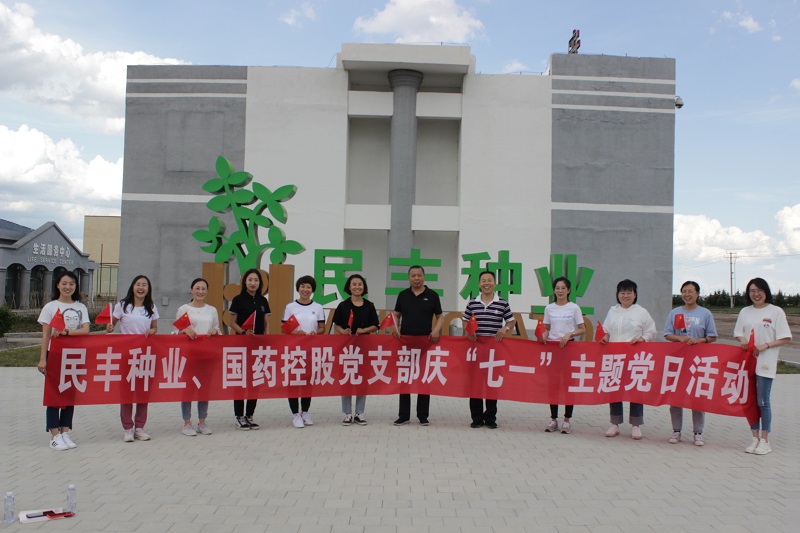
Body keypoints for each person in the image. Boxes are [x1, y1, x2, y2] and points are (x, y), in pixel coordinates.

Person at [734, 277, 791, 455]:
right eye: (752, 291)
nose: (756, 294)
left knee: (763, 401)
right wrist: (743, 340)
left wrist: (765, 346)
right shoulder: (745, 311)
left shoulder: (776, 312)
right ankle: (755, 438)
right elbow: (739, 333)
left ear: (766, 292)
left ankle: (765, 440)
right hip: (748, 363)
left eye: (759, 290)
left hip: (766, 363)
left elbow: (785, 337)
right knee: (751, 401)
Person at [37, 271, 90, 451]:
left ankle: (65, 431)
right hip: (55, 355)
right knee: (54, 393)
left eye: (71, 283)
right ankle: (54, 434)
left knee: (70, 393)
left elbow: (85, 330)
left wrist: (66, 332)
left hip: (75, 355)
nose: (68, 287)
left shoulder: (81, 307)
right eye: (64, 283)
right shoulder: (50, 307)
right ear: (58, 285)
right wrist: (43, 359)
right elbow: (46, 335)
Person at [600, 279, 656, 440]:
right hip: (615, 358)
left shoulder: (641, 312)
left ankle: (636, 425)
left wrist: (642, 339)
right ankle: (615, 423)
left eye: (629, 292)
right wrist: (604, 337)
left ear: (635, 294)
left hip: (634, 358)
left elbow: (651, 331)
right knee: (615, 390)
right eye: (622, 292)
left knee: (635, 390)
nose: (625, 295)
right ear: (618, 295)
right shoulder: (612, 311)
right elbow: (606, 330)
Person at [663, 280, 717, 446]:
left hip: (698, 361)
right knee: (676, 396)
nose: (687, 295)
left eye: (690, 291)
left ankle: (698, 432)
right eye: (684, 291)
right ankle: (676, 430)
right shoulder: (675, 313)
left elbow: (712, 336)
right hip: (678, 361)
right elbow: (667, 334)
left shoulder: (705, 314)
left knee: (697, 396)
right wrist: (680, 338)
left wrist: (700, 340)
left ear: (697, 294)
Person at [108, 275, 159, 442]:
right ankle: (128, 428)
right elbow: (111, 324)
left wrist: (152, 331)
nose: (141, 287)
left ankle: (140, 427)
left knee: (143, 391)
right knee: (127, 392)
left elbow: (155, 327)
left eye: (144, 285)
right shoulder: (123, 305)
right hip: (127, 355)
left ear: (148, 289)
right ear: (132, 286)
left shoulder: (151, 306)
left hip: (145, 355)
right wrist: (109, 326)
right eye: (138, 284)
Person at [391, 265, 444, 426]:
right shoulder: (403, 295)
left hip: (425, 343)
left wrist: (436, 330)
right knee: (405, 379)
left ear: (423, 277)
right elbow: (396, 314)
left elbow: (440, 316)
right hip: (406, 343)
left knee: (424, 378)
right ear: (409, 278)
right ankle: (403, 415)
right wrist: (395, 326)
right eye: (413, 276)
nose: (416, 278)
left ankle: (422, 415)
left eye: (419, 275)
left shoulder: (432, 295)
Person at [462, 270, 515, 429]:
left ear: (495, 283)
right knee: (475, 384)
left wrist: (505, 328)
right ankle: (477, 418)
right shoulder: (472, 303)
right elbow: (465, 321)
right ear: (479, 284)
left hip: (494, 352)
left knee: (492, 383)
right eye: (483, 280)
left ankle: (490, 417)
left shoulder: (502, 303)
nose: (486, 283)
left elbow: (511, 321)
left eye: (489, 280)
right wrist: (468, 332)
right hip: (476, 350)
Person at [174, 277, 221, 436]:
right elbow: (176, 332)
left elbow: (217, 329)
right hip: (189, 355)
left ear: (207, 291)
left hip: (207, 355)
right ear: (191, 290)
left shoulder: (212, 310)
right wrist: (184, 331)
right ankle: (187, 423)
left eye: (203, 289)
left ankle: (202, 421)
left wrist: (214, 331)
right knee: (188, 389)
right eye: (197, 288)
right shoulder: (183, 309)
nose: (200, 291)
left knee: (204, 388)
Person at [333, 274, 379, 426]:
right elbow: (336, 324)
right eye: (354, 284)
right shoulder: (343, 305)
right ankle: (347, 413)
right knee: (346, 378)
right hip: (346, 349)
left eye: (360, 284)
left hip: (363, 348)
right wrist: (342, 331)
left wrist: (364, 330)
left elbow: (375, 325)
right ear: (349, 287)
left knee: (362, 379)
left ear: (364, 287)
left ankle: (360, 412)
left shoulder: (369, 305)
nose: (357, 287)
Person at [540, 276, 585, 434]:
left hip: (568, 348)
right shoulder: (549, 308)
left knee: (568, 384)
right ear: (554, 290)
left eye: (563, 288)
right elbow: (547, 327)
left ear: (569, 290)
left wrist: (569, 334)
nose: (560, 291)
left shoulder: (574, 308)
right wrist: (545, 334)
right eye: (557, 288)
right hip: (553, 349)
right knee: (553, 384)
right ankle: (553, 419)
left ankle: (567, 420)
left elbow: (582, 328)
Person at [228, 268, 270, 430]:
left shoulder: (263, 301)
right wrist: (243, 332)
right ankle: (239, 416)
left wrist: (266, 338)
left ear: (260, 283)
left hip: (258, 346)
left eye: (256, 280)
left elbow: (266, 323)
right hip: (241, 345)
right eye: (250, 280)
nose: (253, 283)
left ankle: (250, 415)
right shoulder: (238, 300)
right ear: (244, 282)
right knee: (240, 380)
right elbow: (232, 322)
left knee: (255, 380)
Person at [282, 275, 325, 428]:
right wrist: (295, 333)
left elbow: (322, 328)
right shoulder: (290, 307)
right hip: (294, 349)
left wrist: (316, 332)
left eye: (308, 287)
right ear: (298, 288)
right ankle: (295, 414)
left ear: (312, 290)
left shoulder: (318, 307)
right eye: (302, 286)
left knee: (308, 380)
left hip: (311, 349)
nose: (305, 290)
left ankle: (305, 412)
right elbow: (284, 328)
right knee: (293, 381)